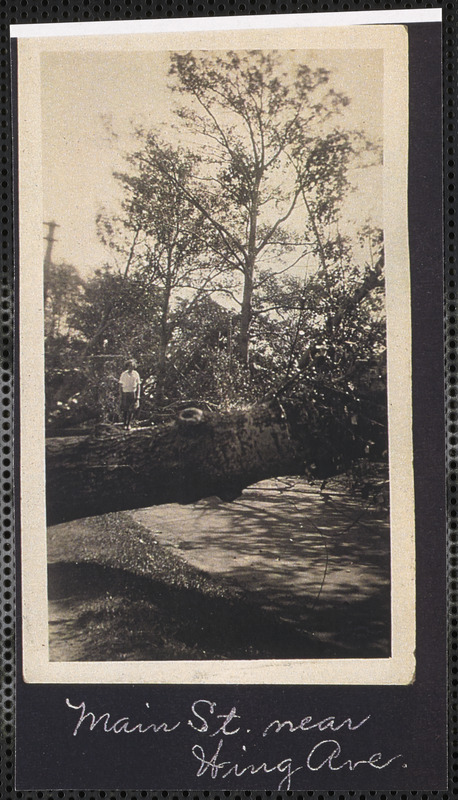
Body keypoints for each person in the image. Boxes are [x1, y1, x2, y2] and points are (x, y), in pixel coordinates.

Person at [118, 360, 141, 430]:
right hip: (125, 392)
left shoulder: (136, 374)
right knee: (125, 409)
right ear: (127, 366)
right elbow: (120, 385)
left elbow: (138, 385)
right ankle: (124, 423)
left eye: (132, 366)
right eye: (129, 366)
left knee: (131, 409)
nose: (131, 367)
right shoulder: (123, 374)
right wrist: (120, 395)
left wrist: (138, 396)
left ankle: (129, 424)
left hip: (132, 392)